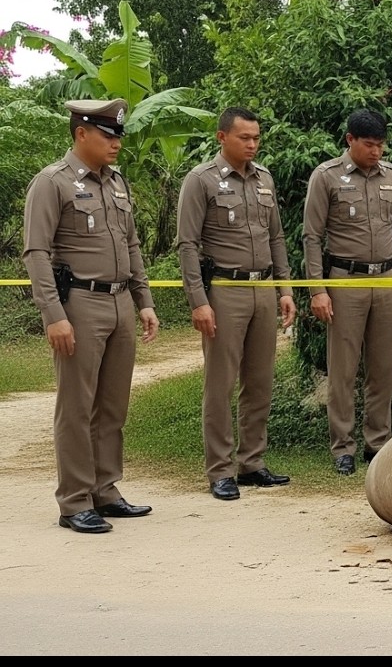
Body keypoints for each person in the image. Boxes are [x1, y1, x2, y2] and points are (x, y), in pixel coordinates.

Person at [22, 97, 160, 532]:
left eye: (118, 135)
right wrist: (54, 315)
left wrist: (145, 301)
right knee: (77, 407)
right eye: (107, 135)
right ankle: (75, 500)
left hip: (120, 302)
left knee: (112, 406)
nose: (116, 142)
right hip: (79, 304)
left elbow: (132, 245)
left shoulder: (117, 183)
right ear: (81, 133)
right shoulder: (53, 183)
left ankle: (106, 489)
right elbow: (36, 253)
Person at [176, 106, 296, 501]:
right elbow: (188, 245)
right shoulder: (201, 180)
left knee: (259, 381)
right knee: (221, 382)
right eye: (244, 137)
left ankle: (252, 463)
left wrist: (285, 290)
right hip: (224, 290)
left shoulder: (264, 179)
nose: (252, 144)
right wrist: (199, 300)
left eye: (256, 137)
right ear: (221, 137)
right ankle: (220, 470)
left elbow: (276, 238)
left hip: (263, 288)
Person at [302, 108, 392, 475]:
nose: (376, 152)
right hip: (345, 281)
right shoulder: (326, 176)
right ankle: (343, 447)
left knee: (384, 368)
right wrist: (318, 289)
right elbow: (311, 236)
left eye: (381, 145)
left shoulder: (391, 176)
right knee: (344, 369)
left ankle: (378, 443)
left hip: (385, 279)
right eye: (369, 144)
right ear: (350, 140)